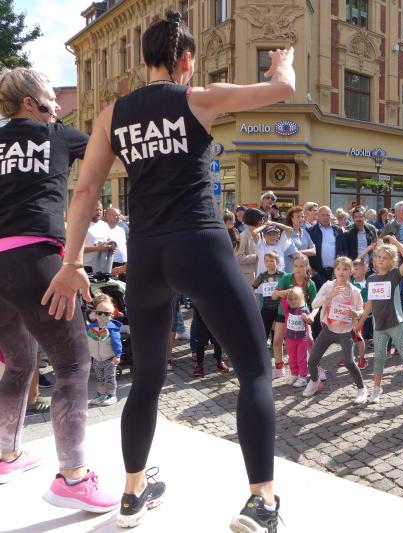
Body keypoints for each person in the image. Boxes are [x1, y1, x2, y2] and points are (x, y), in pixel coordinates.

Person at [43, 12, 293, 529]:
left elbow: (85, 190)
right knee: (253, 369)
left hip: (147, 256)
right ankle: (263, 501)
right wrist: (281, 64)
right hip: (199, 246)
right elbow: (282, 90)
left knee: (147, 379)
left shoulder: (112, 114)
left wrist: (71, 262)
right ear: (186, 60)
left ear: (144, 59)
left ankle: (132, 493)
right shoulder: (197, 97)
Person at [0, 67, 118, 510]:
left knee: (19, 362)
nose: (56, 104)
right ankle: (73, 478)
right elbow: (111, 158)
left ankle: (6, 454)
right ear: (31, 102)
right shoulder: (59, 135)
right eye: (51, 96)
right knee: (72, 364)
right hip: (36, 258)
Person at [353, 236, 403, 405]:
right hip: (379, 326)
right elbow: (370, 303)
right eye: (378, 257)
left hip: (396, 323)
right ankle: (376, 388)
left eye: (385, 257)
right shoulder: (371, 279)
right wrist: (359, 323)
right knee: (379, 357)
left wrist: (396, 243)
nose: (381, 260)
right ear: (374, 259)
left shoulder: (395, 275)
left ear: (392, 261)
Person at [304, 256, 366, 401]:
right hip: (329, 329)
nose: (342, 272)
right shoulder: (328, 286)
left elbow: (361, 309)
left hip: (346, 332)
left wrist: (355, 313)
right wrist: (329, 296)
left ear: (351, 271)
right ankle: (314, 381)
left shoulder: (355, 291)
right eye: (338, 269)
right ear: (334, 271)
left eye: (345, 269)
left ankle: (362, 389)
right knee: (312, 361)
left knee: (349, 362)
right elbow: (314, 304)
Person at [272, 254, 317, 381]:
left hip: (302, 317)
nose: (298, 269)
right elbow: (274, 296)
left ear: (306, 267)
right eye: (296, 266)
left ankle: (315, 366)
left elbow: (316, 304)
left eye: (301, 266)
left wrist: (311, 315)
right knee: (277, 340)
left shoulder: (310, 283)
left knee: (309, 340)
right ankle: (279, 367)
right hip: (284, 314)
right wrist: (282, 293)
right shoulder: (286, 278)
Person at [87, 294, 123, 406]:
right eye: (99, 313)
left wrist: (117, 355)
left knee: (110, 378)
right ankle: (101, 395)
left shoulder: (112, 329)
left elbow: (117, 343)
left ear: (111, 315)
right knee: (100, 378)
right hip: (96, 359)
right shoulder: (90, 328)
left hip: (109, 359)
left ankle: (112, 395)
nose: (103, 316)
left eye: (106, 314)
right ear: (94, 313)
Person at [253, 251, 284, 356]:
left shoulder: (282, 275)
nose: (269, 263)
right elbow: (253, 286)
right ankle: (261, 351)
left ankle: (276, 348)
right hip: (266, 307)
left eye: (271, 260)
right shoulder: (263, 275)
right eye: (266, 261)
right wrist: (251, 296)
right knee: (263, 330)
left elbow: (288, 286)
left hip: (279, 308)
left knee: (278, 331)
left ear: (277, 262)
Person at [279, 287, 312, 388]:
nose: (293, 301)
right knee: (292, 358)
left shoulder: (304, 309)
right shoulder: (287, 309)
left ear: (301, 298)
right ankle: (294, 374)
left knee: (301, 358)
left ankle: (303, 377)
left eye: (296, 298)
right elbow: (283, 301)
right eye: (291, 299)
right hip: (289, 339)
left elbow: (309, 320)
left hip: (301, 339)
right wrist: (286, 293)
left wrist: (306, 318)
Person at [307, 206, 345, 289]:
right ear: (318, 215)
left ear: (331, 216)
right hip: (317, 273)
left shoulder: (338, 230)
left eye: (328, 215)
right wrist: (310, 269)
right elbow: (307, 251)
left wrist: (342, 268)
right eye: (323, 215)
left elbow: (344, 250)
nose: (325, 217)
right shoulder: (310, 231)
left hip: (335, 272)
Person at [282, 205, 315, 274]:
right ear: (292, 218)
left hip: (304, 273)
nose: (301, 219)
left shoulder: (305, 232)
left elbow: (314, 251)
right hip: (290, 273)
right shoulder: (286, 234)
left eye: (302, 217)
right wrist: (305, 253)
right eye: (298, 217)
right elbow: (295, 255)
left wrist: (299, 251)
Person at [83, 200, 114, 273]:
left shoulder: (105, 225)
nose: (99, 212)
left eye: (100, 210)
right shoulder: (83, 225)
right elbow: (77, 249)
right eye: (96, 210)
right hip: (87, 266)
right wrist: (97, 248)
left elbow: (108, 241)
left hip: (102, 266)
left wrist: (111, 248)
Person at [105, 206, 128, 272]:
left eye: (119, 215)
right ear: (107, 216)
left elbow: (124, 245)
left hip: (124, 263)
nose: (118, 217)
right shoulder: (103, 229)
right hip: (111, 263)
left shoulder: (121, 230)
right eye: (115, 215)